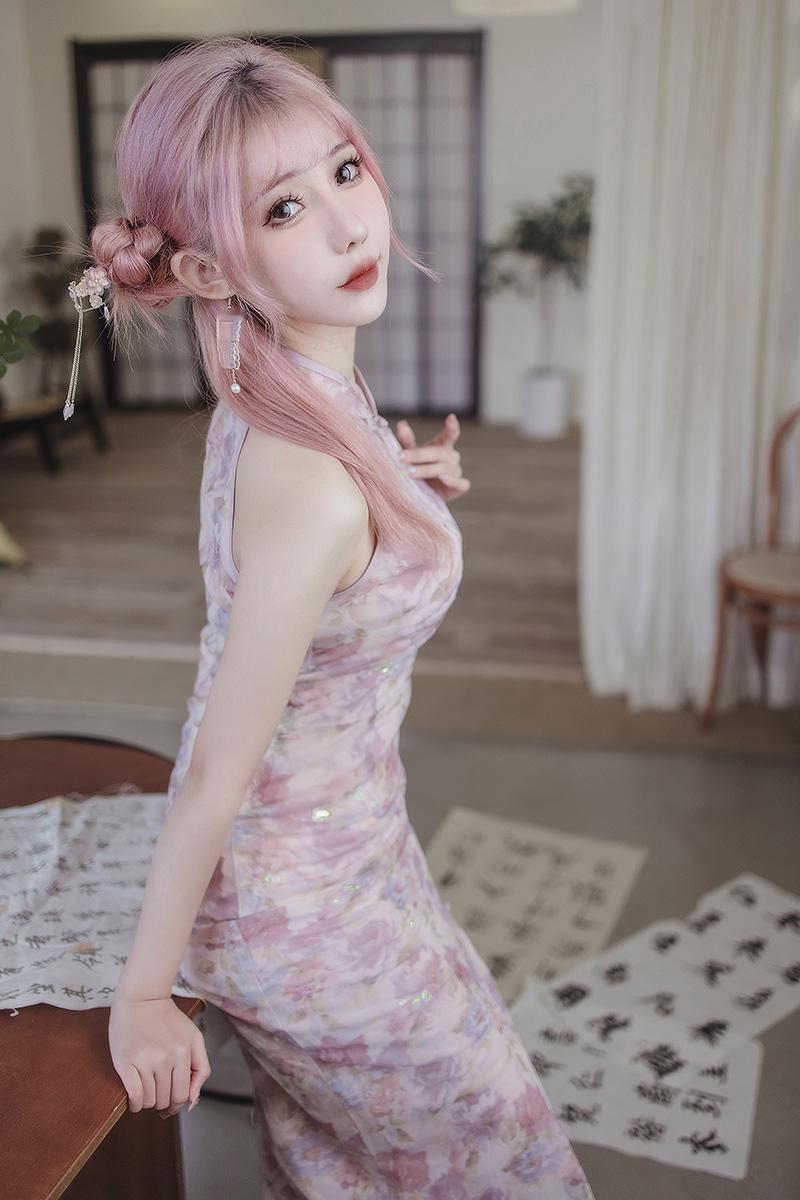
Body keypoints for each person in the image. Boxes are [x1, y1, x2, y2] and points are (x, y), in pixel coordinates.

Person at [71, 35, 595, 1200]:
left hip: (353, 839)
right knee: (495, 1152)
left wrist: (392, 484)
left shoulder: (289, 386)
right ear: (208, 270)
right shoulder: (308, 486)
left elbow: (300, 542)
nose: (348, 223)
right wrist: (143, 993)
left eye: (344, 171)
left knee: (350, 1162)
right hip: (296, 900)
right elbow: (213, 775)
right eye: (283, 207)